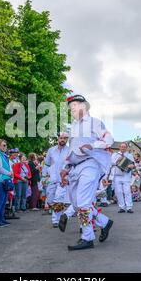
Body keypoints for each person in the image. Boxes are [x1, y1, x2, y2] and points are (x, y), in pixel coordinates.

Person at [60, 94, 114, 250]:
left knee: (83, 203)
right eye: (71, 107)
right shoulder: (74, 126)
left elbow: (109, 139)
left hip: (90, 165)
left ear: (84, 106)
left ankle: (87, 237)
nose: (72, 109)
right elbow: (72, 150)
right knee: (77, 205)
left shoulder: (94, 122)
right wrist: (65, 167)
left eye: (75, 106)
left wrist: (94, 145)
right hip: (75, 168)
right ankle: (104, 222)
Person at [44, 132, 70, 228]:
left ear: (67, 140)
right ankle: (58, 211)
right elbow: (46, 164)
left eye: (65, 138)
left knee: (58, 199)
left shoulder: (69, 150)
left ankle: (56, 220)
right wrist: (43, 177)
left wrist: (67, 177)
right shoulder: (51, 150)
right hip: (52, 178)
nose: (62, 140)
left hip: (63, 179)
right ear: (58, 139)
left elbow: (70, 165)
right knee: (50, 199)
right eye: (61, 138)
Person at [0, 139, 13, 227]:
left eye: (6, 145)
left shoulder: (3, 155)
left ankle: (2, 219)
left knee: (4, 201)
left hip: (4, 180)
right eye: (3, 145)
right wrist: (9, 173)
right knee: (0, 201)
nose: (5, 147)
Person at [111, 142, 135, 213]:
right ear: (119, 147)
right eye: (122, 147)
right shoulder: (115, 154)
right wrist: (117, 160)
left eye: (124, 147)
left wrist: (131, 166)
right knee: (119, 192)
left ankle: (129, 207)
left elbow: (133, 164)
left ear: (126, 148)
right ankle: (122, 207)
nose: (123, 148)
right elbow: (111, 162)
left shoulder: (129, 155)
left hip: (126, 175)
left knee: (127, 191)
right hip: (117, 175)